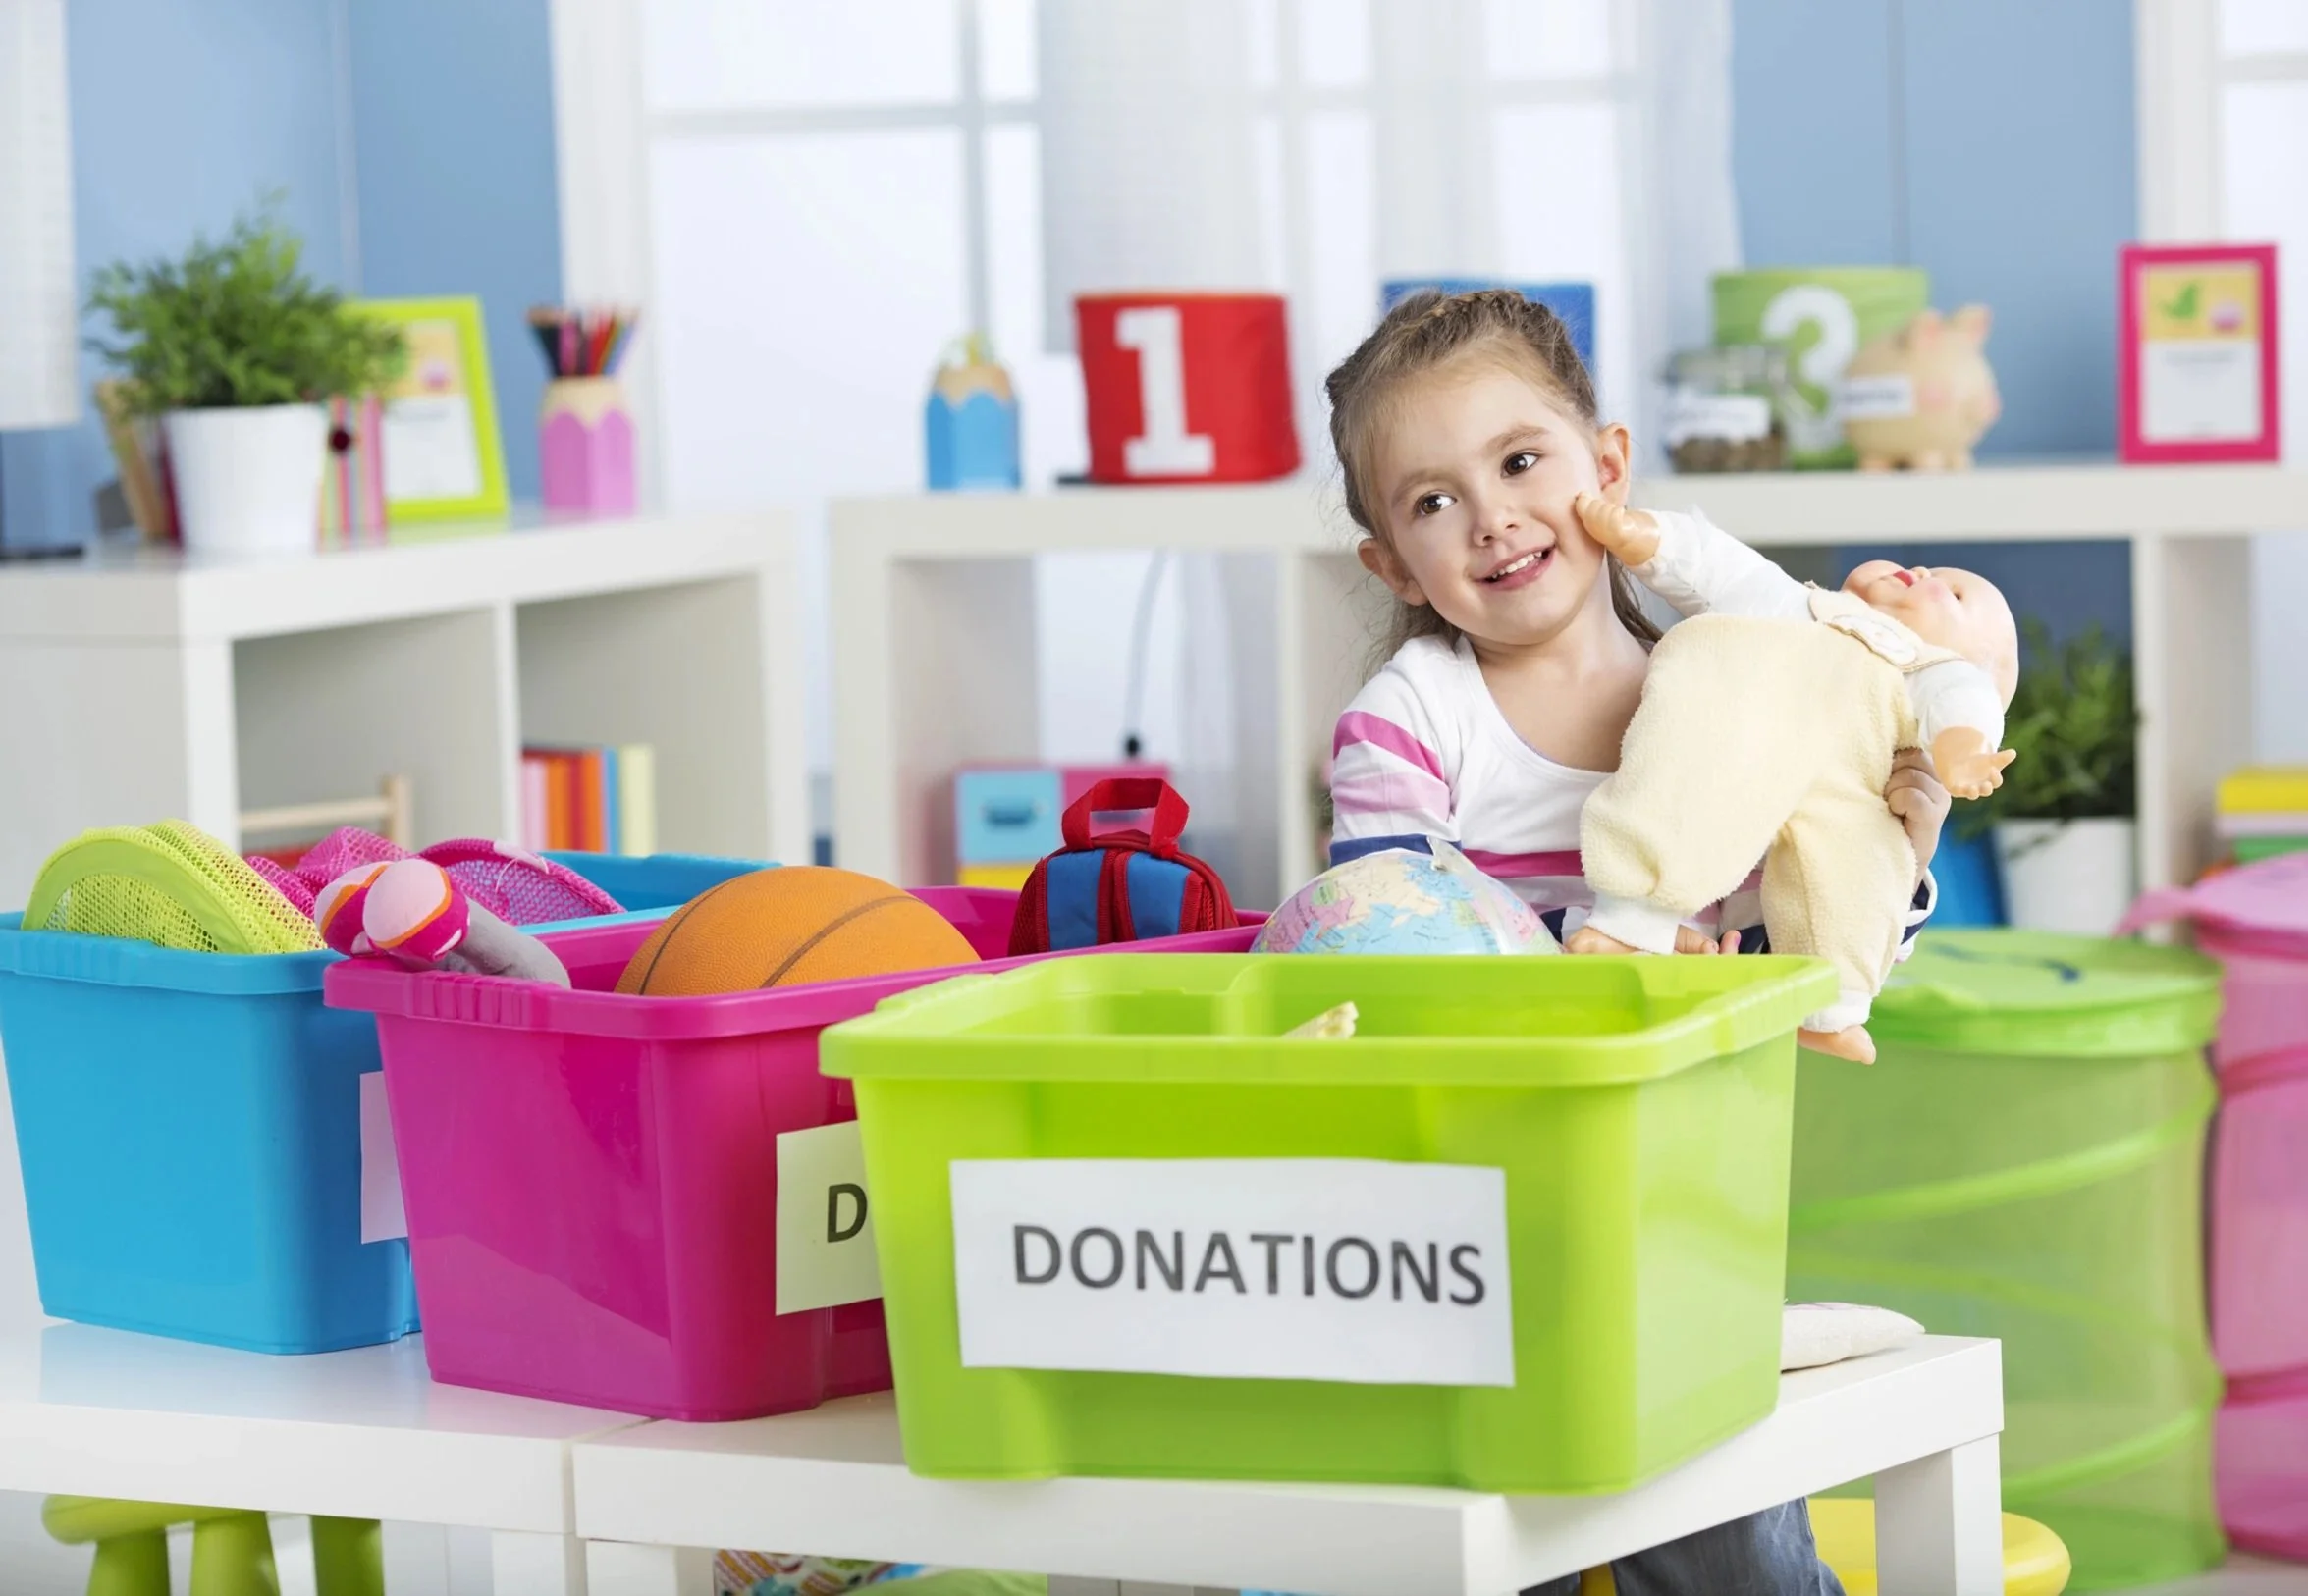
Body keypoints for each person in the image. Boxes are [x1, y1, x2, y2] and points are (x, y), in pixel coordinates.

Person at [1322, 287, 1952, 1594]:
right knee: (1509, 1512)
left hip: (1682, 1194)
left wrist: (1903, 832)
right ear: (1389, 563)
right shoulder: (1411, 717)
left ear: (1604, 468)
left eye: (1517, 462)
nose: (1490, 515)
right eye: (1430, 502)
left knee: (1706, 1486)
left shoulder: (1730, 678)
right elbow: (1381, 945)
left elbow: (1822, 916)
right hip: (1474, 1193)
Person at [1565, 493, 2018, 1063]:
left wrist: (1961, 750)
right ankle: (1629, 924)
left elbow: (1963, 699)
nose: (1926, 573)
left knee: (1861, 870)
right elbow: (1714, 561)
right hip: (1735, 739)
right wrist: (1644, 536)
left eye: (1955, 594)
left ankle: (1835, 1005)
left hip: (1847, 784)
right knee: (1677, 805)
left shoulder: (1925, 669)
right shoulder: (1792, 603)